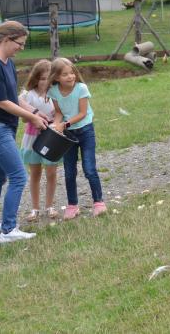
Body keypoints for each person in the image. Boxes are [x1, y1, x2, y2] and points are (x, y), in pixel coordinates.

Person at [0, 21, 47, 244]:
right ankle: (8, 230)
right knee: (18, 176)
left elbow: (14, 98)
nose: (21, 48)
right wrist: (32, 118)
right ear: (6, 40)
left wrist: (36, 111)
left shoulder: (7, 63)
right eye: (19, 43)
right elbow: (1, 102)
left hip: (2, 128)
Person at [49, 57, 105, 219]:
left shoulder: (81, 88)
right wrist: (55, 126)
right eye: (65, 74)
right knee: (69, 171)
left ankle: (99, 202)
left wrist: (64, 125)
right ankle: (72, 205)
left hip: (86, 131)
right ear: (56, 77)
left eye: (72, 72)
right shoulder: (53, 91)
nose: (70, 76)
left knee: (89, 169)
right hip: (68, 136)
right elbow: (59, 112)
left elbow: (82, 114)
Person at [18, 59, 60, 222]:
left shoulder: (56, 95)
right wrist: (33, 117)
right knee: (35, 173)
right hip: (32, 138)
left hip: (51, 138)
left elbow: (60, 113)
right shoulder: (27, 96)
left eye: (48, 79)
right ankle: (35, 208)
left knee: (51, 172)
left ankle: (50, 206)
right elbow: (22, 118)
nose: (45, 82)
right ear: (36, 78)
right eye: (42, 79)